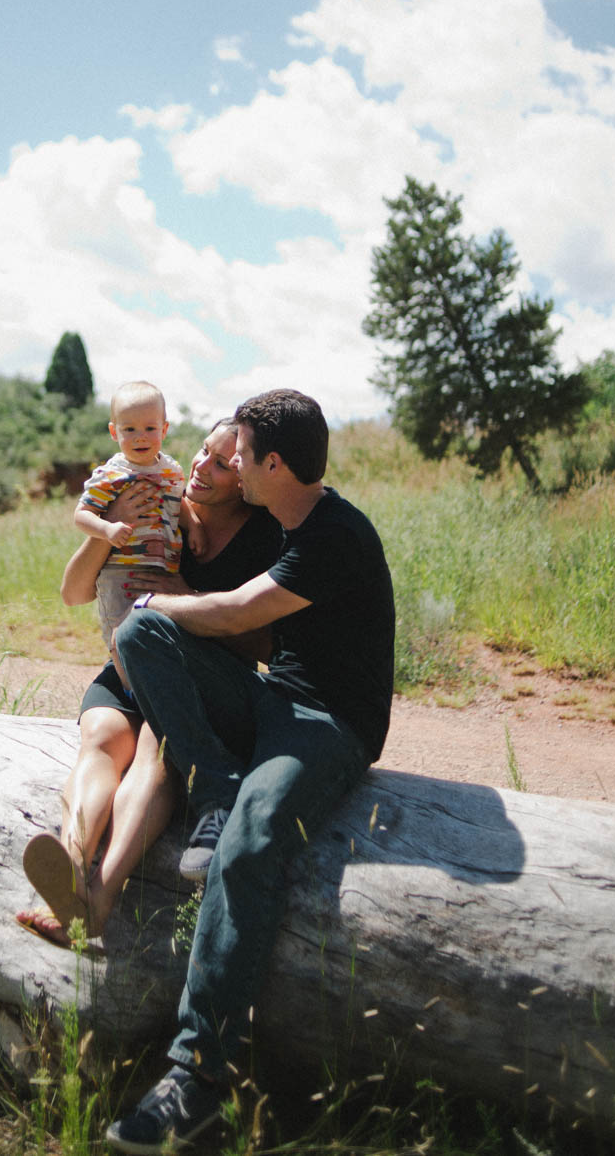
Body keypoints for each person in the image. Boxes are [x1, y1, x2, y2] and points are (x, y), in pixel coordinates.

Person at [105, 388, 395, 1155]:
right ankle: (214, 781)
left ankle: (197, 1076)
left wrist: (162, 606)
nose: (225, 462)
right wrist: (153, 616)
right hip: (276, 701)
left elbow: (236, 614)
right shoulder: (284, 520)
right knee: (142, 640)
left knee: (251, 841)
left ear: (272, 464)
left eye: (237, 453)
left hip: (330, 725)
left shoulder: (336, 534)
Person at [16, 419, 280, 948]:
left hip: (188, 683)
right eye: (203, 451)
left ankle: (100, 896)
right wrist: (110, 525)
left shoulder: (263, 537)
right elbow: (72, 593)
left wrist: (186, 598)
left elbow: (265, 649)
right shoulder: (154, 497)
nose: (202, 467)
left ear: (247, 476)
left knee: (151, 754)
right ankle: (70, 862)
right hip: (124, 670)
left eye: (224, 464)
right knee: (100, 740)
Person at [73, 380, 189, 649]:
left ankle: (145, 680)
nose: (141, 437)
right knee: (120, 633)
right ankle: (125, 684)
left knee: (156, 631)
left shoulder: (171, 470)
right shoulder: (110, 475)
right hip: (119, 571)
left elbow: (177, 504)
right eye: (130, 429)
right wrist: (107, 529)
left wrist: (196, 528)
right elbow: (81, 515)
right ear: (114, 432)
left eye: (150, 428)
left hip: (162, 565)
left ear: (165, 429)